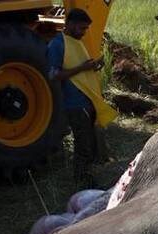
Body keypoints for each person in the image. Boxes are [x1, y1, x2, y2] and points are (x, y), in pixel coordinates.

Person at [47, 8, 117, 189]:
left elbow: (80, 70)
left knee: (92, 144)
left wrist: (93, 67)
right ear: (69, 24)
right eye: (81, 28)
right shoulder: (57, 45)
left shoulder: (77, 42)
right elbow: (54, 75)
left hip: (88, 101)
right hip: (74, 104)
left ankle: (89, 178)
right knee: (83, 145)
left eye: (86, 29)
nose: (84, 32)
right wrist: (82, 68)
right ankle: (81, 183)